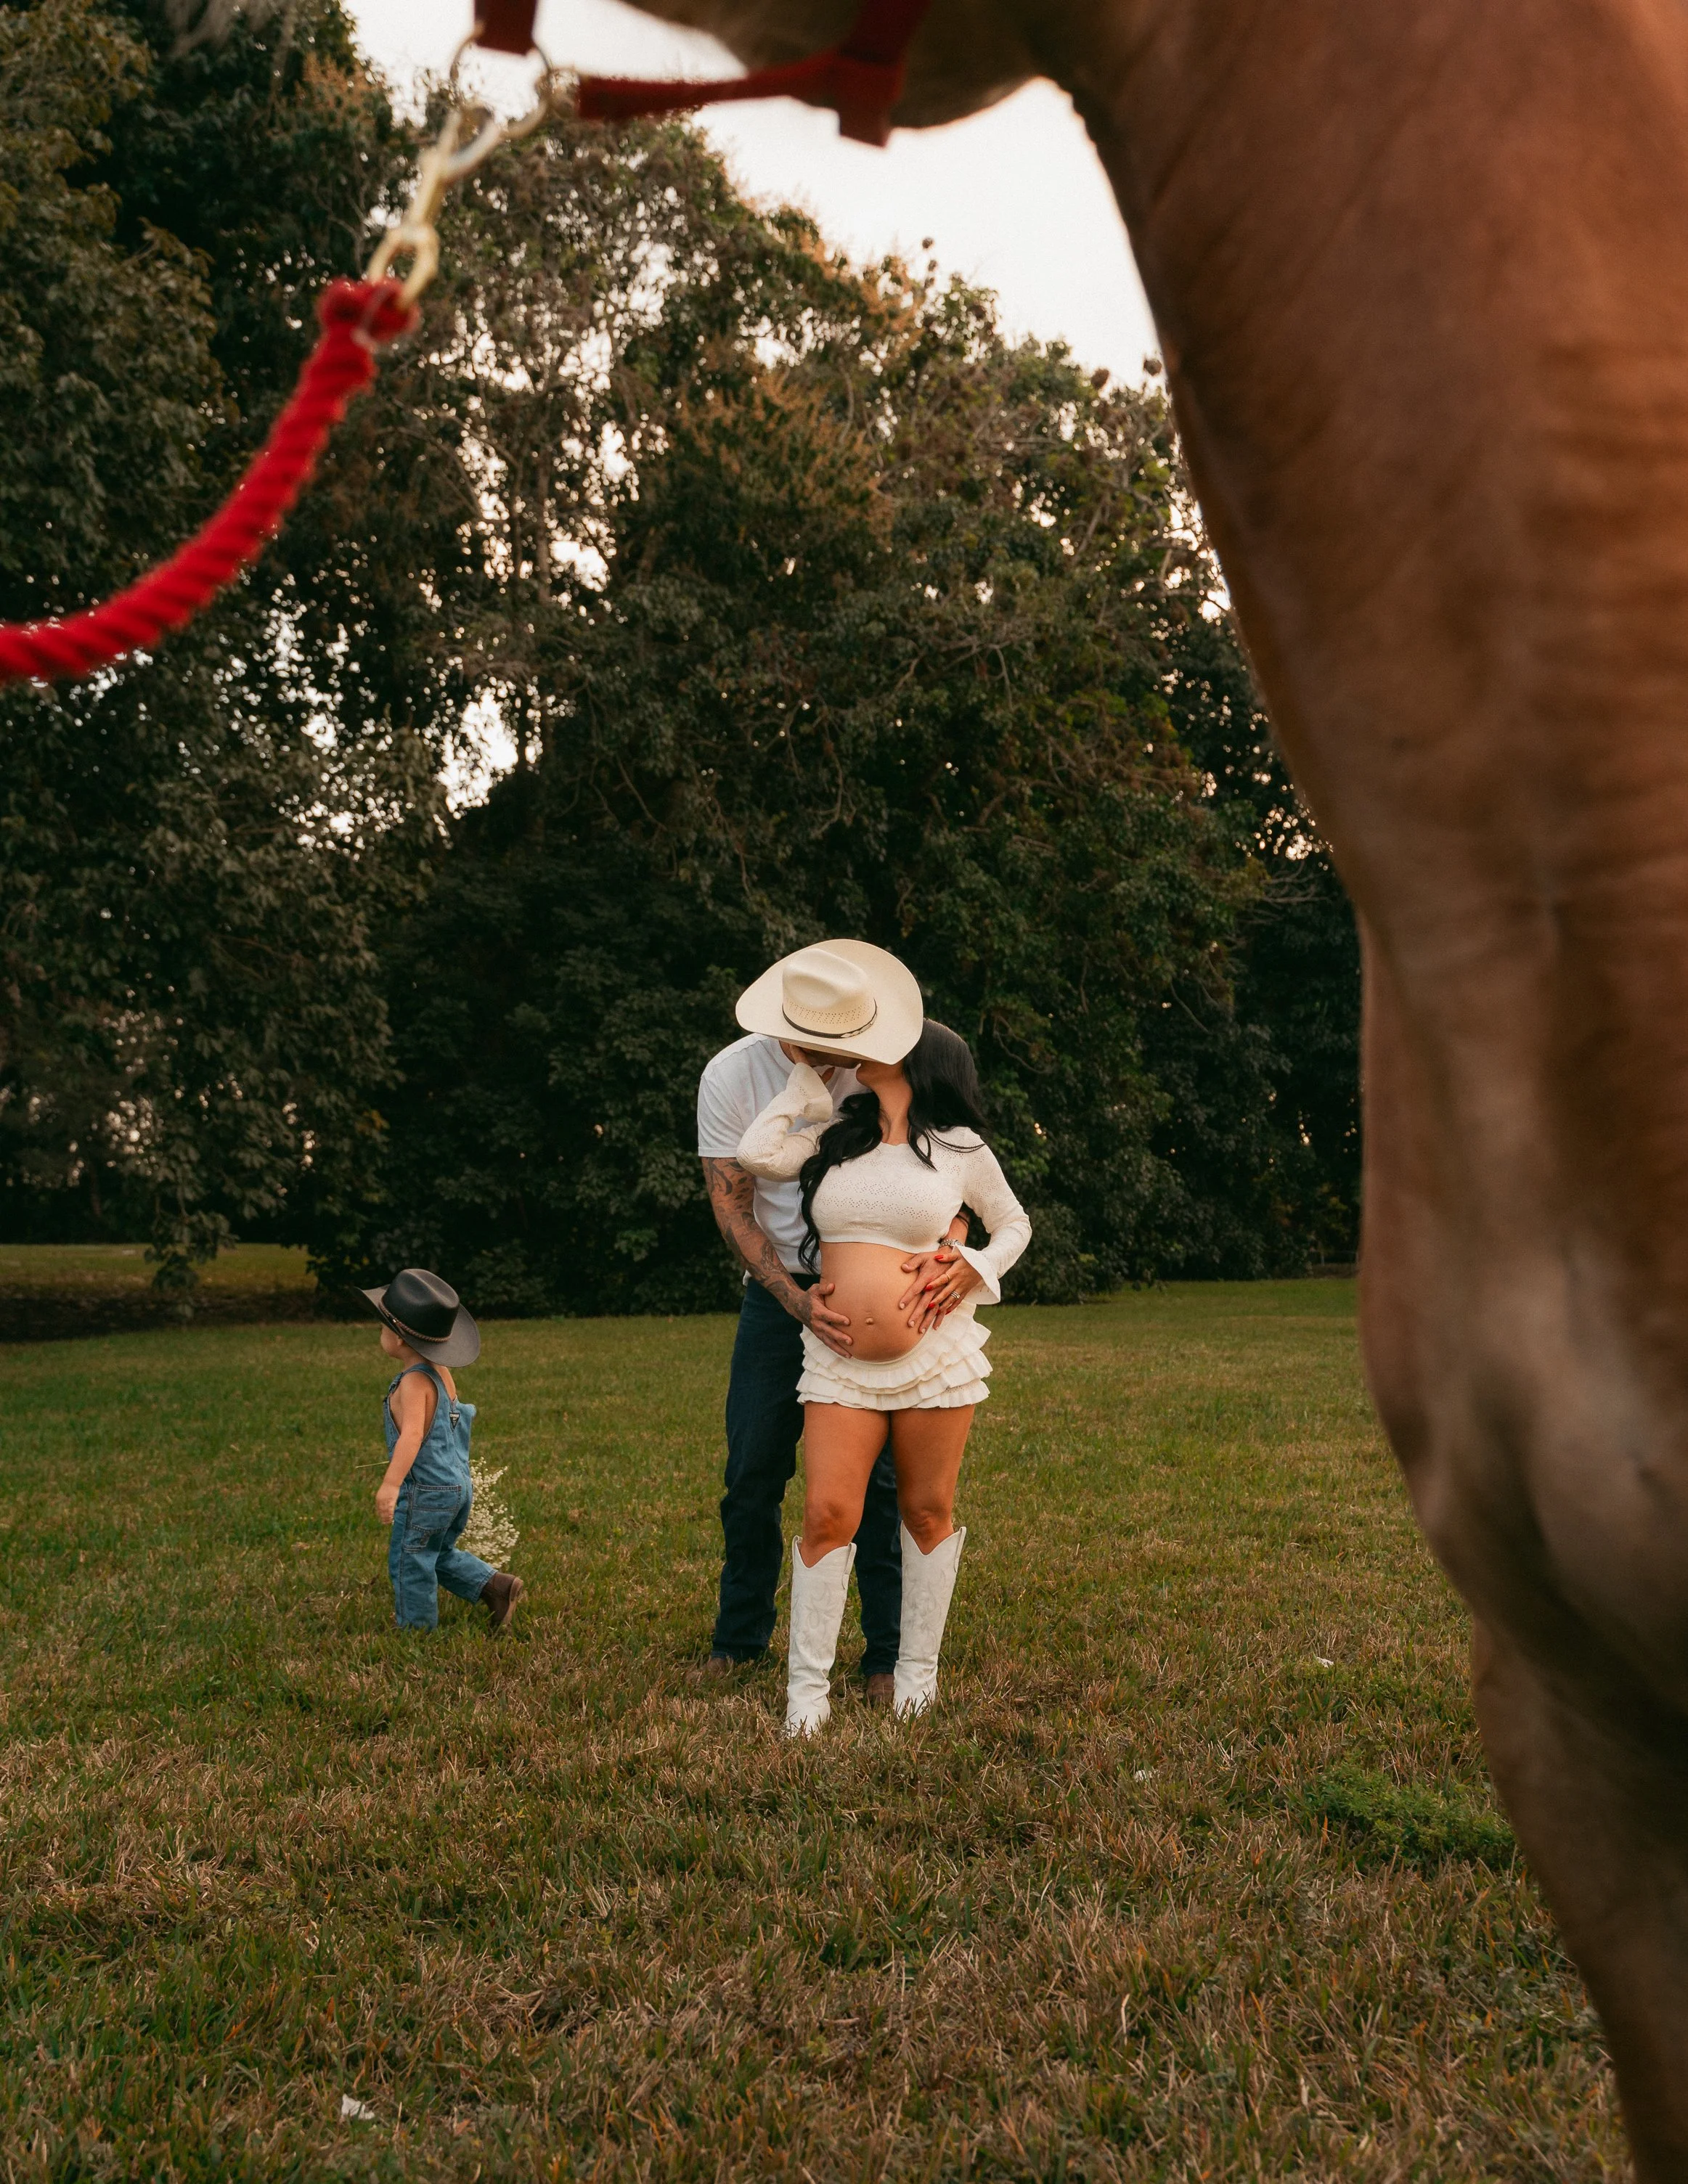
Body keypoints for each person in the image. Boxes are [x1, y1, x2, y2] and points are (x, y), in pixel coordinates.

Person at [736, 965, 1031, 1734]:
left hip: (936, 1359)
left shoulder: (961, 1148)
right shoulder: (835, 1137)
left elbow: (1015, 1225)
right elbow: (756, 1152)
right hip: (838, 1360)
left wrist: (971, 1265)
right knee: (828, 1511)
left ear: (923, 1061)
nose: (861, 1050)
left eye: (883, 1043)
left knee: (928, 1511)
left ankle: (915, 1679)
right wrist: (803, 1086)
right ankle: (807, 1694)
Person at [697, 940, 971, 1700]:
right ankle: (739, 1637)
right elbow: (732, 1203)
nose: (838, 1058)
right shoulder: (732, 1074)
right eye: (822, 1045)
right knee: (752, 1468)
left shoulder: (884, 1064)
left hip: (878, 1298)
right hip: (779, 1293)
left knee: (883, 1484)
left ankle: (885, 1656)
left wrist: (952, 1248)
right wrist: (794, 1301)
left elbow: (952, 1171)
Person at [364, 1267, 523, 1634]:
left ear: (401, 1338)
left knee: (410, 1560)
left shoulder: (413, 1383)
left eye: (383, 1326)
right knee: (436, 1552)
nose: (381, 1334)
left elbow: (413, 1436)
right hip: (456, 1487)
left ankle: (415, 1632)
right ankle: (496, 1587)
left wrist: (391, 1485)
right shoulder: (441, 1373)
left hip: (427, 1491)